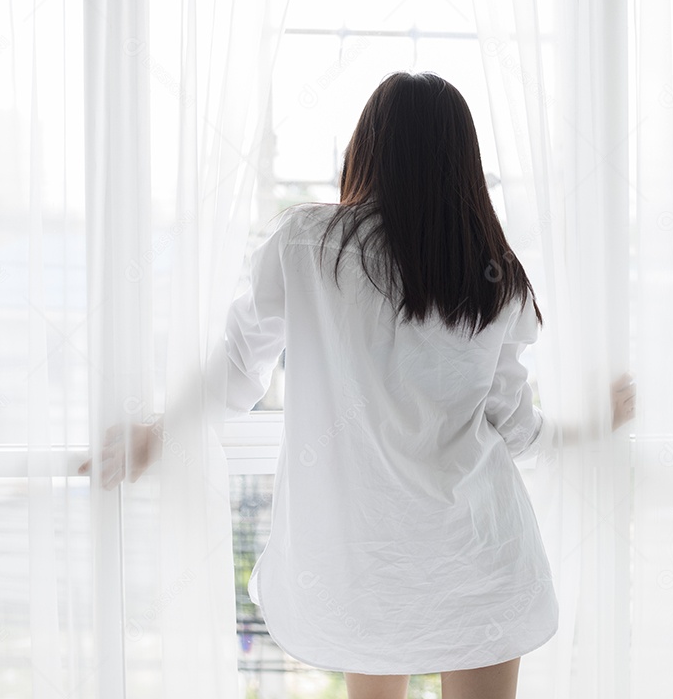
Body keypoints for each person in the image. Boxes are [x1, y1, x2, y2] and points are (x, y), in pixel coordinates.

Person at [81, 71, 636, 699]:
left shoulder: (307, 245)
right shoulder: (493, 276)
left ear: (365, 150)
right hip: (480, 556)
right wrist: (598, 420)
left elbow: (238, 367)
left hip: (362, 564)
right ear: (465, 164)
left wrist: (159, 431)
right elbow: (518, 431)